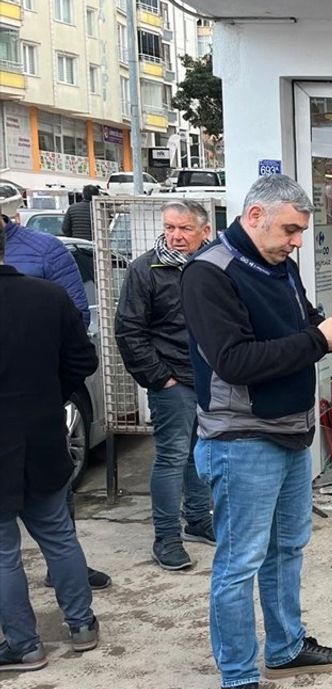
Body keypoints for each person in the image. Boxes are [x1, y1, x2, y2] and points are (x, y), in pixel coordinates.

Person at [183, 174, 332, 689]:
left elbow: (300, 322)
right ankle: (238, 679)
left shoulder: (279, 265)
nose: (297, 241)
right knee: (239, 563)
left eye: (301, 231)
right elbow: (234, 361)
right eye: (290, 229)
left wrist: (323, 327)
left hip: (289, 431)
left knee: (287, 548)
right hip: (241, 438)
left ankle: (286, 648)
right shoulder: (209, 273)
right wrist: (317, 341)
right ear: (256, 216)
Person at [0, 223, 102, 672]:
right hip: (43, 434)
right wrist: (48, 396)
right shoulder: (48, 296)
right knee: (59, 536)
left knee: (3, 553)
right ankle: (81, 626)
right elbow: (82, 360)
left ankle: (24, 645)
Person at [116, 200, 215, 571]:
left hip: (210, 379)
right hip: (172, 381)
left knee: (200, 454)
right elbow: (129, 330)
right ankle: (167, 538)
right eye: (170, 227)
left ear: (205, 231)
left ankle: (199, 520)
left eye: (185, 228)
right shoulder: (145, 269)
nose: (175, 236)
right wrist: (160, 378)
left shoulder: (215, 265)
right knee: (172, 457)